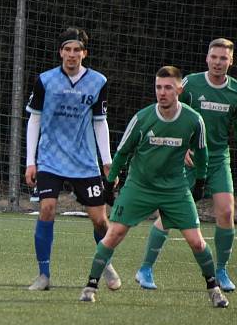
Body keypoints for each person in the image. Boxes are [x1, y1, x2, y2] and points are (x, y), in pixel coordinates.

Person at [79, 66, 229, 308]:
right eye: (158, 87)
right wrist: (109, 184)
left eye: (168, 87)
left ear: (179, 89)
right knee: (114, 234)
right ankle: (90, 286)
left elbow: (202, 153)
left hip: (175, 189)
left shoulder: (193, 120)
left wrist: (200, 181)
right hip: (140, 186)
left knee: (197, 242)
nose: (162, 92)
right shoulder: (142, 118)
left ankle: (214, 289)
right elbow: (122, 153)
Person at [135, 39, 237, 292]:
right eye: (214, 57)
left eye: (223, 58)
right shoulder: (190, 83)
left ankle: (220, 270)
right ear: (207, 58)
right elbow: (173, 112)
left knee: (226, 212)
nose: (218, 62)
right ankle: (145, 269)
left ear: (231, 61)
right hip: (187, 159)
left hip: (218, 158)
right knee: (169, 215)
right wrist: (184, 145)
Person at [24, 27, 120, 292]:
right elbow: (34, 119)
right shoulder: (45, 80)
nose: (72, 55)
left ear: (84, 53)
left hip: (84, 161)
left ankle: (106, 263)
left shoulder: (98, 82)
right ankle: (43, 275)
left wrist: (107, 161)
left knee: (100, 220)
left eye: (77, 50)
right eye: (67, 49)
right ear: (60, 52)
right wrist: (30, 161)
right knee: (46, 209)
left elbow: (100, 123)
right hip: (50, 158)